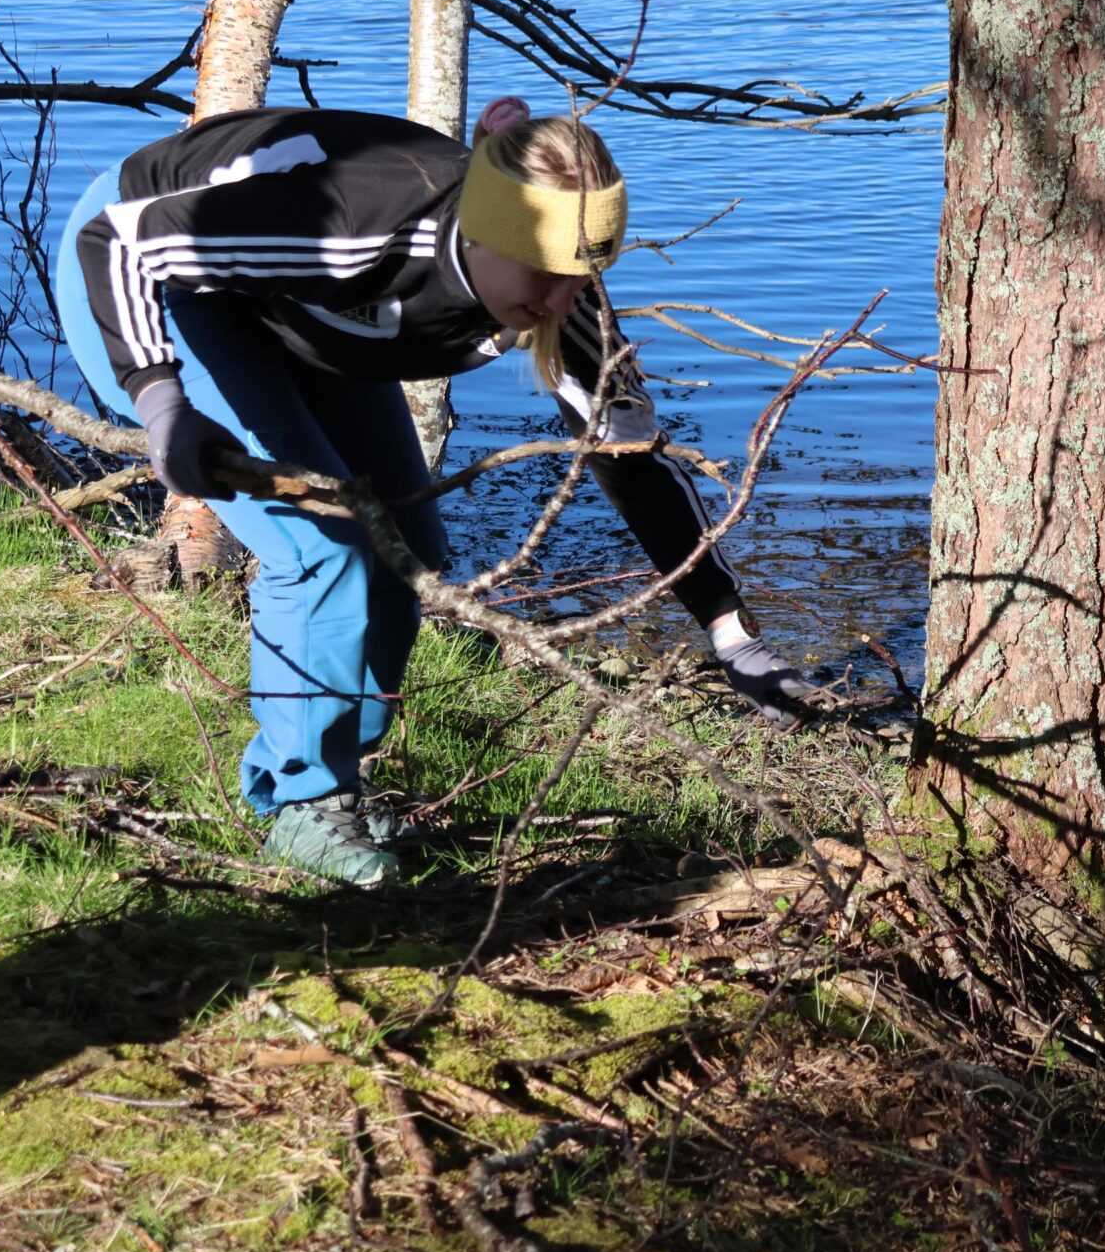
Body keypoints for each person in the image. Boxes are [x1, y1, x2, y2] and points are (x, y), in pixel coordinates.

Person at [53, 98, 815, 886]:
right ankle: (300, 799)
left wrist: (731, 634)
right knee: (325, 544)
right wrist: (162, 401)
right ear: (487, 227)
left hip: (287, 308)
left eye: (580, 278)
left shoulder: (565, 298)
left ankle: (341, 777)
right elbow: (122, 240)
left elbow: (630, 460)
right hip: (146, 272)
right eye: (543, 273)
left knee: (408, 544)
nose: (558, 302)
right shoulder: (356, 225)